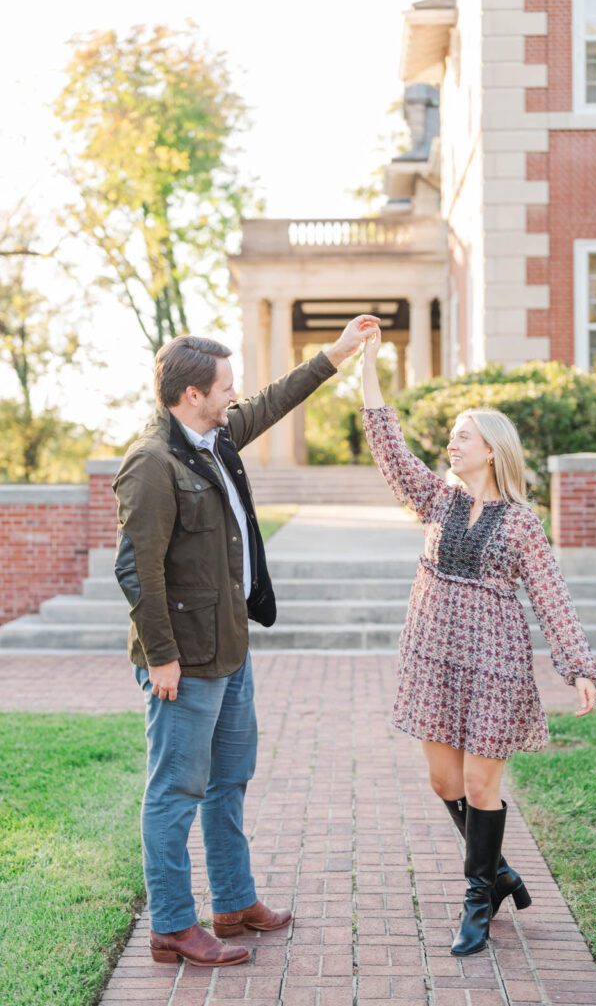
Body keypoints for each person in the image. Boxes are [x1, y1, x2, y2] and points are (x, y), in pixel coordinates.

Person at [112, 317, 380, 968]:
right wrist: (164, 657)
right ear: (189, 395)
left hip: (231, 649)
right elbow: (135, 570)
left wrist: (335, 355)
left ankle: (233, 904)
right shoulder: (151, 464)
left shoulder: (215, 435)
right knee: (175, 791)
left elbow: (273, 400)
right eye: (224, 386)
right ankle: (173, 927)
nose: (234, 394)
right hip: (186, 659)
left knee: (230, 780)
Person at [359, 324, 596, 958]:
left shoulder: (523, 522)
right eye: (451, 435)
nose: (451, 441)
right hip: (434, 658)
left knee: (478, 787)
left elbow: (551, 594)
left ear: (492, 450)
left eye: (462, 435)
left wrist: (578, 665)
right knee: (443, 782)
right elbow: (388, 447)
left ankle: (477, 899)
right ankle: (496, 872)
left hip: (495, 665)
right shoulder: (437, 501)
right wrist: (368, 364)